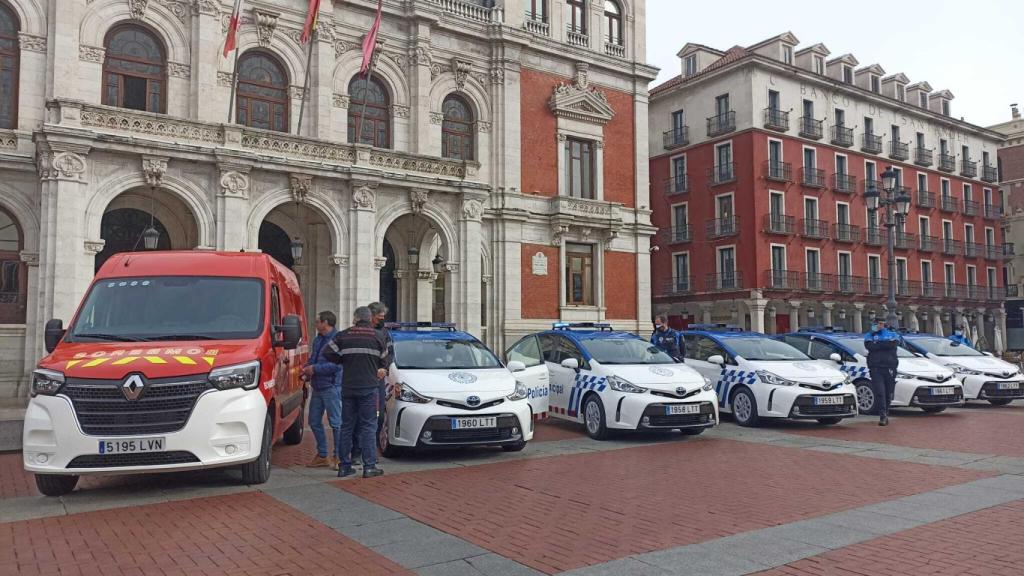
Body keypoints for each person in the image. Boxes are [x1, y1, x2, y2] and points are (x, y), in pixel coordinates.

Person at [324, 306, 389, 478]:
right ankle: (369, 466)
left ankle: (344, 466)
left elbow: (327, 352)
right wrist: (378, 367)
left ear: (355, 318)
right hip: (369, 387)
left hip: (349, 387)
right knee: (368, 426)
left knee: (347, 426)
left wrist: (343, 360)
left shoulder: (344, 335)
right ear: (370, 319)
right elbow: (385, 359)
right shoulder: (378, 336)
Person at [351, 301, 392, 461]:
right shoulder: (358, 331)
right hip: (361, 378)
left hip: (377, 379)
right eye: (379, 317)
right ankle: (357, 450)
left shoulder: (384, 332)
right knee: (357, 417)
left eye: (383, 317)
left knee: (378, 416)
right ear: (371, 316)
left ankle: (371, 448)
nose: (381, 320)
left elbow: (389, 354)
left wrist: (384, 367)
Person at [302, 311, 343, 470]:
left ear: (325, 322)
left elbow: (337, 365)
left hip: (331, 387)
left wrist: (315, 369)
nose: (315, 323)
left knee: (336, 423)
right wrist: (306, 369)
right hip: (318, 386)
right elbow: (314, 358)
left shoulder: (338, 339)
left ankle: (339, 456)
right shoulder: (318, 339)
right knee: (313, 420)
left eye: (317, 321)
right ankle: (323, 455)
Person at [864, 320, 900, 426]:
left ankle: (887, 412)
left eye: (881, 323)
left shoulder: (892, 334)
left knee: (889, 392)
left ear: (884, 324)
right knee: (880, 392)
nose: (879, 326)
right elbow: (870, 347)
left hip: (890, 367)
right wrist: (884, 344)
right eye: (876, 324)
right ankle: (882, 415)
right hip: (876, 368)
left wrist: (878, 344)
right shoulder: (869, 335)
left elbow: (893, 345)